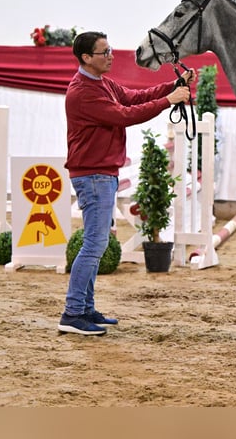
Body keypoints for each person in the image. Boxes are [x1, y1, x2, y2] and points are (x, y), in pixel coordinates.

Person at [58, 31, 194, 335]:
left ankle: (85, 308)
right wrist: (169, 101)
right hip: (93, 174)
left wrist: (172, 85)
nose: (110, 56)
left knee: (97, 242)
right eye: (104, 52)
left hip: (100, 173)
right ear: (86, 58)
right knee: (95, 244)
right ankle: (72, 312)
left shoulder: (101, 83)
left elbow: (134, 97)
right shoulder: (83, 92)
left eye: (109, 50)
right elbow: (124, 115)